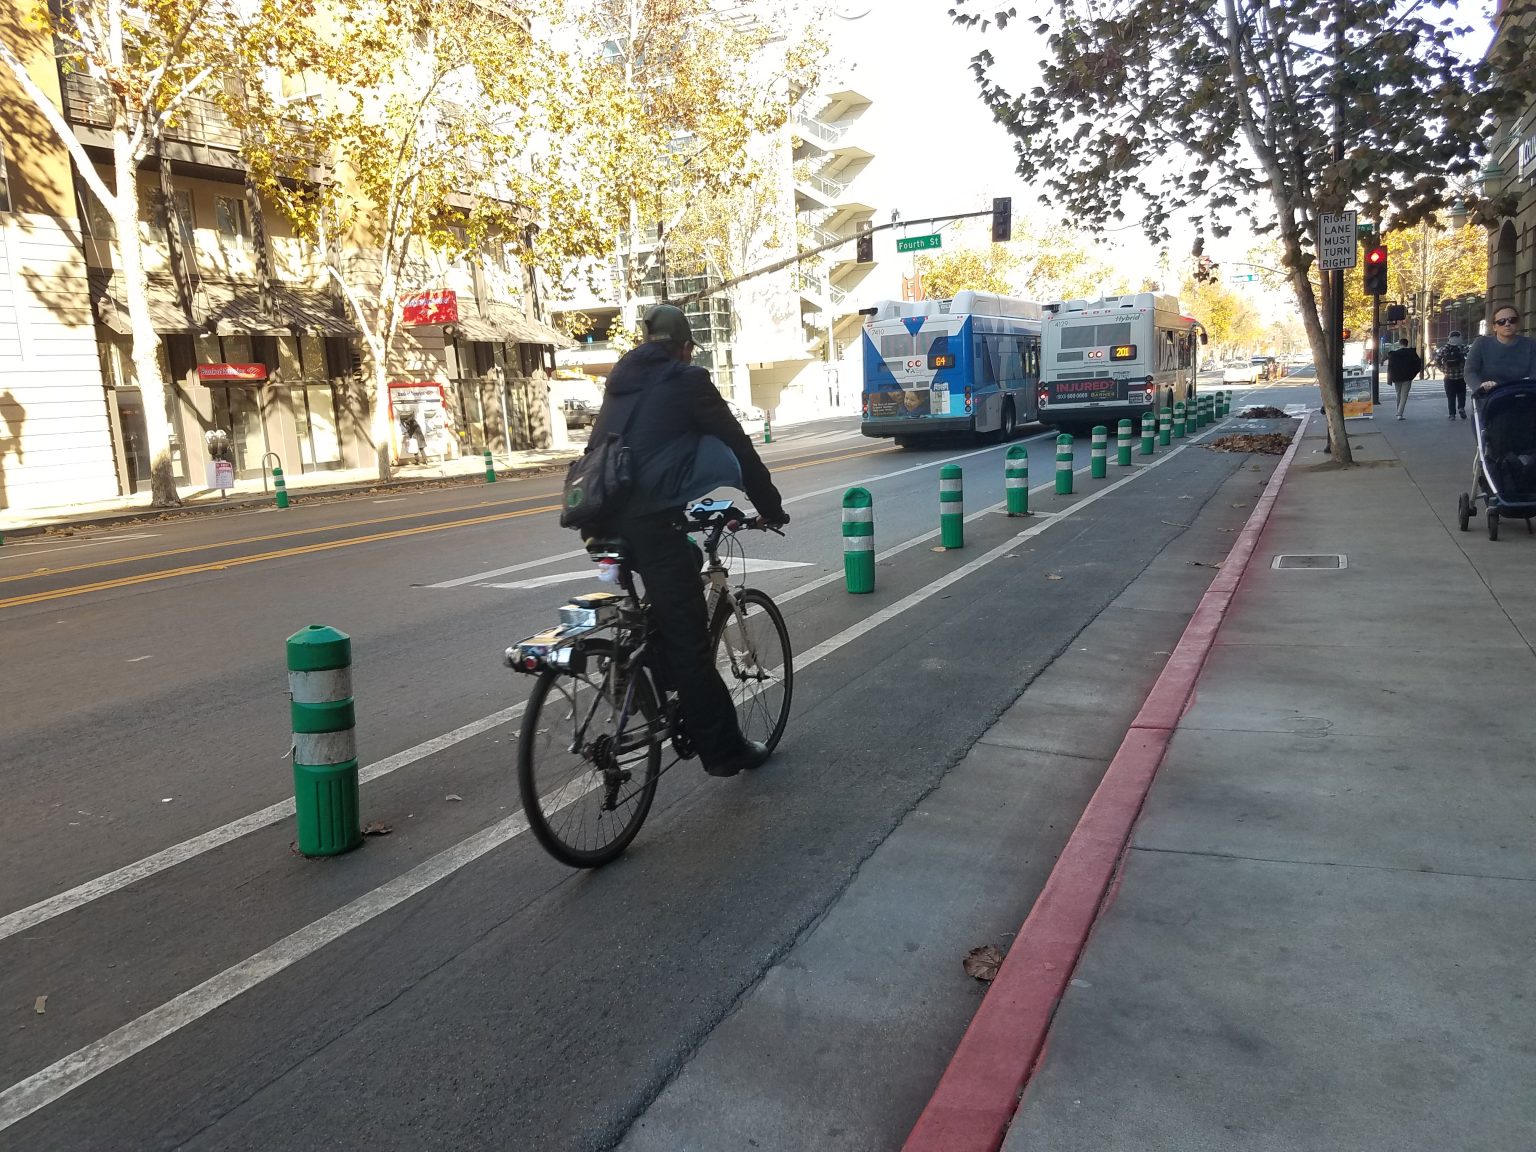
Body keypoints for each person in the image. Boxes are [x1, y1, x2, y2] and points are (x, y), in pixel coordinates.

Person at [587, 304, 789, 778]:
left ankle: (649, 682)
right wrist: (771, 505)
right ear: (684, 347)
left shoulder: (618, 383)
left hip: (598, 520)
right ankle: (724, 751)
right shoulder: (688, 380)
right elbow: (738, 444)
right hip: (649, 524)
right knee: (690, 643)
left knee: (661, 611)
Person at [1466, 305, 1536, 395]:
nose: (1507, 324)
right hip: (1490, 398)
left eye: (1512, 320)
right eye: (1501, 322)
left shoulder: (1530, 344)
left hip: (1522, 398)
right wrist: (1480, 386)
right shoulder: (1481, 343)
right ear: (1494, 326)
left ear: (1517, 323)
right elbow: (1470, 371)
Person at [1385, 340, 1424, 420]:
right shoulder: (1412, 353)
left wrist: (1390, 378)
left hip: (1396, 378)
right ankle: (1399, 414)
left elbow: (1390, 368)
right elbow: (1418, 365)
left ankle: (1398, 412)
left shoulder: (1394, 354)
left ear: (1399, 344)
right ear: (1407, 344)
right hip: (1407, 377)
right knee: (1404, 396)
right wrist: (1412, 374)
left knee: (1398, 394)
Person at [1436, 331, 1468, 419]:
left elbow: (1437, 359)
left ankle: (1452, 414)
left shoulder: (1444, 348)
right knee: (1462, 394)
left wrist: (1443, 369)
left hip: (1448, 377)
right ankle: (1461, 407)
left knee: (1451, 396)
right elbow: (1470, 359)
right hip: (1461, 376)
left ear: (1449, 338)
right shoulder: (1463, 347)